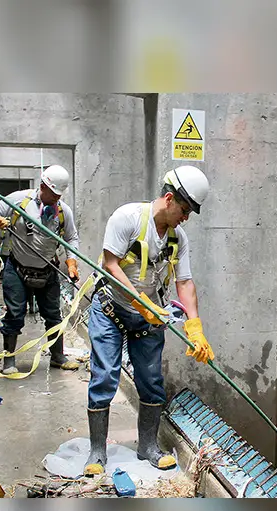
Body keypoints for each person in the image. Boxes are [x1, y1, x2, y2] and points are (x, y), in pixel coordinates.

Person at [84, 166, 215, 474]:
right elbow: (110, 264)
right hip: (111, 309)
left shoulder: (178, 239)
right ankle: (97, 452)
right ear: (169, 199)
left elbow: (185, 282)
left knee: (151, 380)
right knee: (104, 376)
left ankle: (148, 447)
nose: (186, 218)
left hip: (150, 317)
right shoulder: (127, 218)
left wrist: (195, 327)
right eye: (184, 210)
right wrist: (139, 302)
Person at [0, 164, 82, 373]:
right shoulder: (19, 201)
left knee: (53, 315)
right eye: (53, 194)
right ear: (42, 186)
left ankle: (58, 356)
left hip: (47, 269)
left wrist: (72, 262)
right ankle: (9, 360)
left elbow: (72, 238)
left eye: (59, 196)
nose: (55, 199)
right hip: (18, 268)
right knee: (14, 315)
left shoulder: (63, 212)